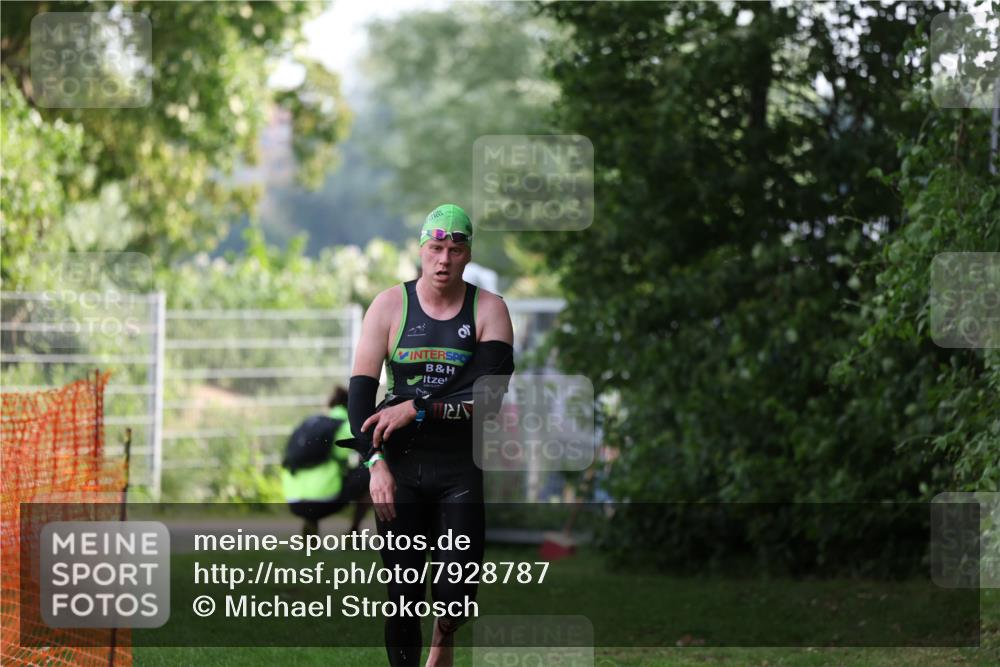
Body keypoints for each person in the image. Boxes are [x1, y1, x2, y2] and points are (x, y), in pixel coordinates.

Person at [347, 204, 514, 667]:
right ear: (421, 249)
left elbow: (488, 401)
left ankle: (444, 635)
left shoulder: (490, 310)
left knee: (456, 593)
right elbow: (359, 401)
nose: (444, 260)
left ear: (467, 254)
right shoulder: (388, 307)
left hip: (459, 468)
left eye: (455, 250)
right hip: (399, 468)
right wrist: (374, 465)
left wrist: (417, 406)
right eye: (436, 249)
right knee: (403, 593)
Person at [281, 386, 371, 536]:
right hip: (324, 501)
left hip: (293, 500)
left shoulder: (311, 424)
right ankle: (353, 532)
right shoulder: (345, 426)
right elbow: (363, 455)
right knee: (373, 472)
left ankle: (311, 524)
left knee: (325, 471)